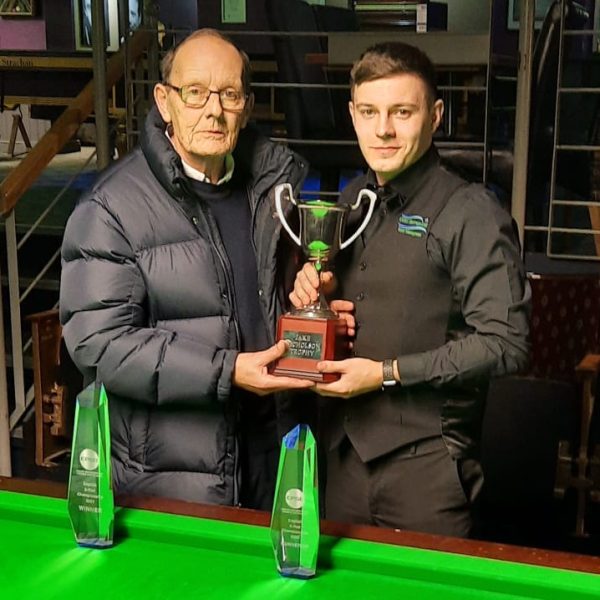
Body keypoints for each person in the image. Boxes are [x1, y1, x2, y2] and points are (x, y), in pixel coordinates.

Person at [60, 29, 314, 510]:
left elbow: (276, 298)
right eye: (195, 93)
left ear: (247, 104)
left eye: (229, 94)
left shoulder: (274, 191)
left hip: (273, 461)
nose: (213, 110)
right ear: (165, 100)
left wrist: (311, 290)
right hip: (173, 480)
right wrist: (228, 370)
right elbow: (99, 344)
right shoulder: (110, 207)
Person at [290, 42, 531, 537]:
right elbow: (348, 306)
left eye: (402, 111)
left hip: (429, 474)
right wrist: (312, 292)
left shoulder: (472, 213)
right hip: (341, 463)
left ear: (435, 115)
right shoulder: (351, 198)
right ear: (352, 114)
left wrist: (385, 374)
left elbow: (508, 344)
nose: (383, 129)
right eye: (369, 111)